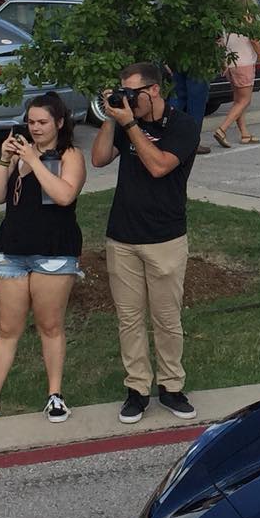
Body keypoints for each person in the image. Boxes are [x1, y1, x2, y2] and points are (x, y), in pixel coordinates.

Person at [91, 61, 198, 424]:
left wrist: (131, 125)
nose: (127, 100)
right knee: (129, 319)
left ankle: (171, 386)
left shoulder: (183, 126)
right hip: (122, 236)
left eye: (132, 93)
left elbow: (159, 166)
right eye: (122, 92)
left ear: (154, 90)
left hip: (165, 237)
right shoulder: (123, 121)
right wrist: (112, 117)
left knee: (166, 319)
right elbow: (99, 158)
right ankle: (137, 389)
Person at [0, 93, 85, 424]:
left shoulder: (70, 155)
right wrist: (4, 160)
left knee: (49, 325)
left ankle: (55, 395)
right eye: (31, 122)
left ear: (59, 123)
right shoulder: (19, 155)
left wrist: (36, 161)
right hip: (12, 249)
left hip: (54, 250)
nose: (35, 129)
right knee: (8, 328)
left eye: (42, 123)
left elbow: (65, 195)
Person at [212, 0, 260, 148]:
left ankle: (244, 133)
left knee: (238, 100)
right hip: (245, 62)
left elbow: (219, 41)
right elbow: (255, 40)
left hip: (231, 62)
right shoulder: (248, 17)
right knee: (244, 100)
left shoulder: (225, 18)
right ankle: (222, 129)